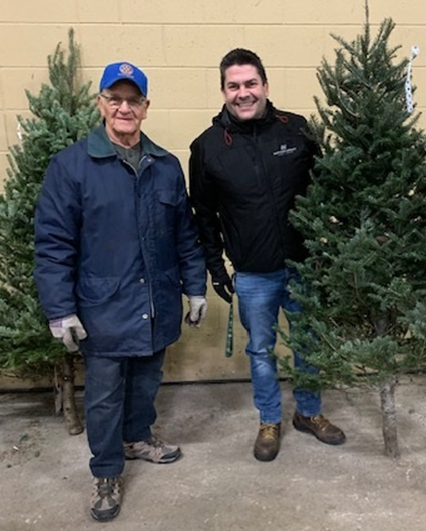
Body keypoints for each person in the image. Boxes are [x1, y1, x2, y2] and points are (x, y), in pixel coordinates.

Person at [34, 61, 207, 522]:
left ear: (146, 108)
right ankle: (106, 472)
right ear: (101, 104)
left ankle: (137, 438)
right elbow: (53, 244)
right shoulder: (72, 166)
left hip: (156, 303)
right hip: (103, 309)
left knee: (146, 383)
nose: (124, 108)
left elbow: (185, 235)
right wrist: (60, 311)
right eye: (116, 99)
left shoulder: (166, 166)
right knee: (105, 398)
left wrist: (195, 289)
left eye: (134, 100)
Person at [189, 48, 346, 463]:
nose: (243, 93)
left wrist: (331, 250)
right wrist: (215, 268)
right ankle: (269, 420)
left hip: (304, 265)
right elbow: (203, 215)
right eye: (233, 86)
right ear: (223, 91)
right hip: (253, 274)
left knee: (310, 343)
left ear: (265, 85)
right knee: (260, 351)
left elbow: (326, 190)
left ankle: (308, 412)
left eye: (250, 83)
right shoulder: (207, 148)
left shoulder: (297, 130)